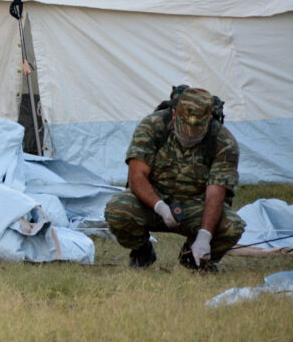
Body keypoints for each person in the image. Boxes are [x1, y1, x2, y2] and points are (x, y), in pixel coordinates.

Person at [104, 86, 245, 271]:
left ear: (208, 120)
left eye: (195, 134)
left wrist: (205, 236)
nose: (188, 137)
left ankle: (192, 259)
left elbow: (216, 193)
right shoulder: (153, 126)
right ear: (173, 116)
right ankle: (142, 251)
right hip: (153, 201)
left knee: (232, 226)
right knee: (117, 209)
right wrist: (160, 207)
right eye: (183, 130)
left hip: (195, 207)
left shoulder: (223, 142)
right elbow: (136, 175)